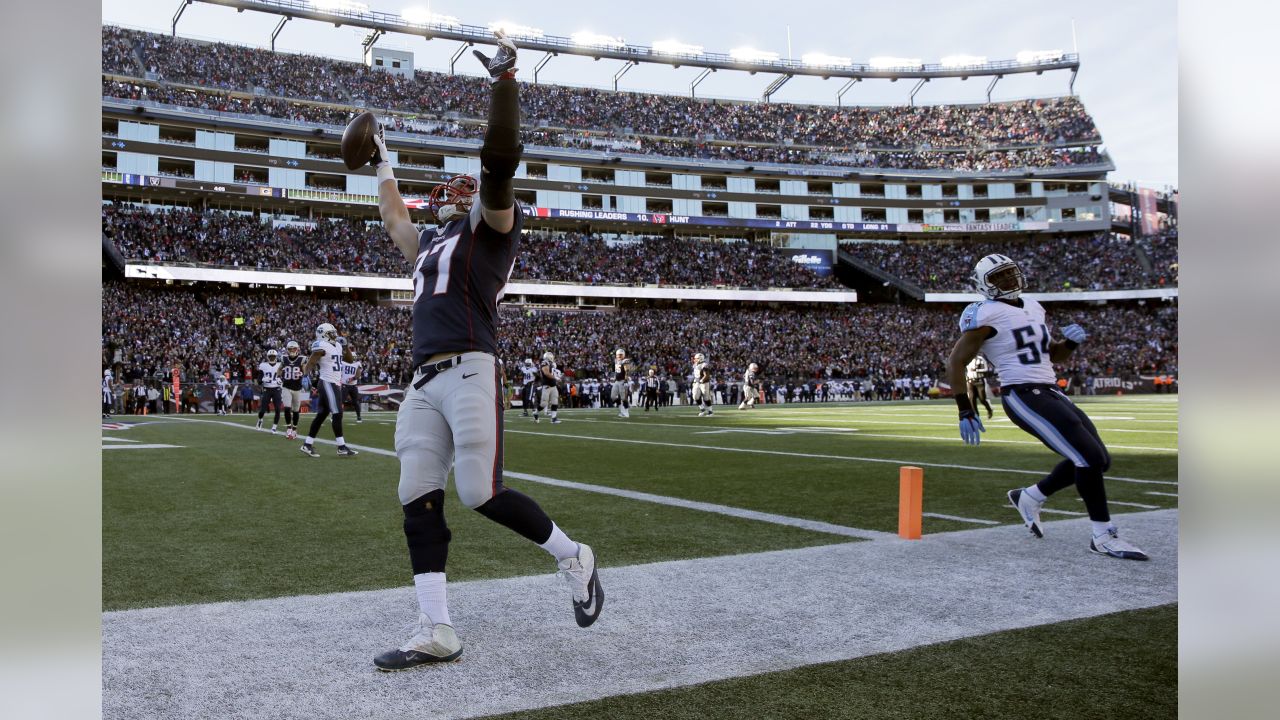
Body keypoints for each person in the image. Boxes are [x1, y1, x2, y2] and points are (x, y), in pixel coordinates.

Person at [369, 31, 602, 672]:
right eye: (445, 189)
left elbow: (499, 165)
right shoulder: (426, 248)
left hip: (472, 364)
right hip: (422, 379)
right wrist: (382, 161)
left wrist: (504, 83)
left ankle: (572, 555)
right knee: (416, 493)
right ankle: (436, 628)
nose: (451, 194)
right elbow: (393, 219)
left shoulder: (489, 231)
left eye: (461, 189)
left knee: (478, 491)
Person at [945, 253, 1148, 561]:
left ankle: (1030, 497)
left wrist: (1070, 344)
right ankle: (1103, 535)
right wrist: (964, 407)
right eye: (998, 277)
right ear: (983, 286)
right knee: (1088, 458)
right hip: (1023, 394)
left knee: (1099, 460)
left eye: (1010, 273)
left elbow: (1053, 355)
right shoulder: (984, 314)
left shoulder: (1033, 306)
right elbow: (956, 361)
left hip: (1050, 389)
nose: (1008, 281)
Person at [299, 323, 359, 458]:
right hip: (327, 382)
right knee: (337, 413)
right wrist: (305, 374)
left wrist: (346, 346)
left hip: (334, 383)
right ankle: (341, 447)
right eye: (331, 333)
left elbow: (349, 359)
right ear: (324, 334)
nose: (334, 335)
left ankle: (307, 444)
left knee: (322, 415)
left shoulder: (337, 345)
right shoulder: (321, 345)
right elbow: (313, 360)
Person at [280, 340, 306, 439]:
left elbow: (305, 370)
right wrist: (278, 377)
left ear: (297, 349)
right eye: (290, 349)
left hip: (297, 388)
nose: (291, 350)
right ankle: (288, 428)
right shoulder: (284, 359)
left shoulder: (302, 359)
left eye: (293, 348)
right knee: (287, 407)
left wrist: (302, 374)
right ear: (287, 350)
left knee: (295, 410)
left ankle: (294, 429)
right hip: (286, 386)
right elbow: (279, 369)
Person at [256, 349, 284, 433]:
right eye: (270, 356)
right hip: (267, 389)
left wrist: (281, 381)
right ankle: (260, 419)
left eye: (273, 356)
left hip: (277, 389)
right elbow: (259, 380)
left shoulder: (280, 365)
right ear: (268, 357)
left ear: (276, 357)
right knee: (262, 410)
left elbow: (284, 376)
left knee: (278, 409)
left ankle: (274, 427)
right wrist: (263, 379)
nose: (272, 358)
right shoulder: (263, 365)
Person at [337, 337, 364, 423]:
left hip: (353, 386)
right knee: (340, 401)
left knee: (355, 402)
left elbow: (358, 375)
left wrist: (352, 378)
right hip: (345, 385)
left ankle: (359, 416)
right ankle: (337, 417)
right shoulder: (343, 362)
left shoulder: (357, 364)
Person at [532, 351, 561, 424]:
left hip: (553, 386)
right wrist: (555, 377)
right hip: (547, 386)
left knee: (555, 401)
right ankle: (536, 412)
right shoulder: (544, 363)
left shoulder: (551, 364)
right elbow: (546, 373)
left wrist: (556, 378)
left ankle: (553, 418)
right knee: (544, 403)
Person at [965, 353, 995, 420]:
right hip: (970, 381)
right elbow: (966, 369)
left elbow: (986, 369)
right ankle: (976, 416)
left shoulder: (980, 359)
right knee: (972, 399)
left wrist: (976, 370)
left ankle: (989, 410)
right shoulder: (967, 359)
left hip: (979, 381)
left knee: (982, 399)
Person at [611, 348, 632, 418]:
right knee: (613, 397)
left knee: (623, 398)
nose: (619, 356)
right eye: (618, 355)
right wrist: (614, 377)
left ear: (623, 355)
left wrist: (626, 381)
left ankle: (626, 413)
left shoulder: (625, 361)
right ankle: (622, 411)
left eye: (621, 355)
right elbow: (616, 371)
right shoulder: (616, 361)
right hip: (617, 381)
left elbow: (627, 371)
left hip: (623, 381)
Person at [691, 352, 714, 416]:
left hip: (704, 382)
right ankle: (702, 409)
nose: (694, 359)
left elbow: (706, 375)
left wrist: (702, 380)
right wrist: (695, 381)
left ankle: (710, 411)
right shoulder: (695, 365)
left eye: (696, 358)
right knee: (695, 396)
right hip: (697, 382)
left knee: (706, 397)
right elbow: (696, 375)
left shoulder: (704, 365)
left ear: (700, 359)